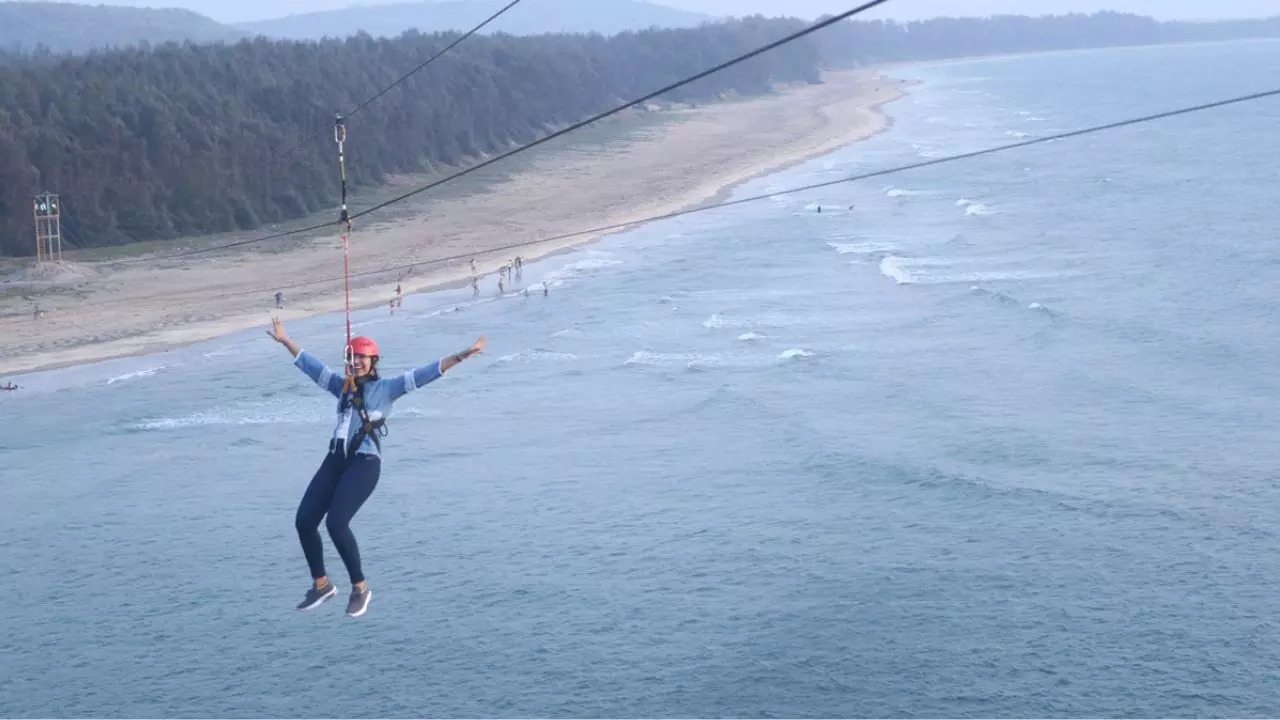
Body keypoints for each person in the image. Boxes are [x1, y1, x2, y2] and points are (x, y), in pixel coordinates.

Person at [266, 317, 486, 617]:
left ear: (373, 361)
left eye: (362, 358)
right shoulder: (341, 387)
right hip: (335, 460)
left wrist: (459, 356)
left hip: (364, 463)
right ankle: (322, 584)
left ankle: (360, 588)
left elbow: (421, 375)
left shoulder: (386, 388)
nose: (356, 362)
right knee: (304, 521)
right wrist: (286, 339)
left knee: (336, 523)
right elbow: (313, 368)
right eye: (353, 357)